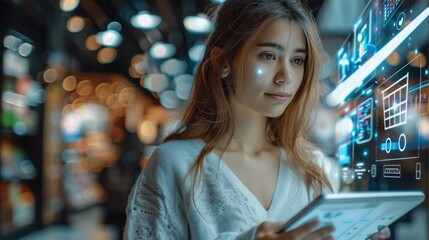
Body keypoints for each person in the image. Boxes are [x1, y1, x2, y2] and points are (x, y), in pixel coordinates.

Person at [124, 0, 391, 239]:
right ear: (224, 61)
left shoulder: (316, 169)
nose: (285, 75)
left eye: (297, 60)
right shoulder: (176, 164)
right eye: (268, 55)